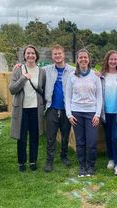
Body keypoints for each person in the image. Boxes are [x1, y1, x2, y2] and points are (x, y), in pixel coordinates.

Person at [65, 49, 102, 177]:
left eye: (85, 57)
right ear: (77, 60)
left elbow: (99, 97)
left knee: (91, 142)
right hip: (77, 113)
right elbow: (67, 97)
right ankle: (82, 166)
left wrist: (97, 114)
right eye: (80, 57)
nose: (83, 59)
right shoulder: (72, 76)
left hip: (91, 113)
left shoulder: (95, 76)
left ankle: (90, 166)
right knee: (80, 142)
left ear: (89, 59)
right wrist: (69, 114)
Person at [9, 45, 46, 172]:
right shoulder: (18, 70)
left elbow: (43, 90)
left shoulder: (42, 71)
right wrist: (24, 78)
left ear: (36, 56)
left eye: (33, 53)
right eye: (28, 53)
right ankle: (21, 162)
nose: (30, 55)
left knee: (34, 137)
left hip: (36, 109)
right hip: (22, 109)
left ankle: (33, 161)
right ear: (24, 55)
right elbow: (12, 89)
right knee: (22, 137)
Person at [43, 44, 75, 172]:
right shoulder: (46, 70)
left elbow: (85, 72)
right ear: (52, 56)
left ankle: (64, 156)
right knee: (51, 136)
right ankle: (49, 160)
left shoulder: (72, 70)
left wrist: (97, 74)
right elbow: (31, 69)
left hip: (67, 110)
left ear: (63, 54)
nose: (57, 56)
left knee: (65, 135)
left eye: (59, 53)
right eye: (55, 54)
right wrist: (19, 67)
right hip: (51, 108)